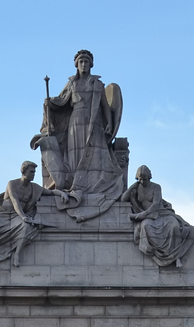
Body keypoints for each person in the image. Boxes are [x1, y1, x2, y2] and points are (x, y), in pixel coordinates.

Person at [31, 50, 124, 218]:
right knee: (75, 155)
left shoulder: (97, 84)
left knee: (94, 153)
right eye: (81, 62)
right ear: (76, 65)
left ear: (91, 64)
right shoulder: (72, 84)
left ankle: (92, 184)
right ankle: (75, 185)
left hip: (94, 122)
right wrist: (49, 103)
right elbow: (60, 101)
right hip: (76, 121)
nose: (83, 65)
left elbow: (104, 105)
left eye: (86, 62)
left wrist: (109, 123)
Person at [0, 162, 64, 270]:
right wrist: (23, 216)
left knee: (26, 227)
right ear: (23, 172)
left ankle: (17, 255)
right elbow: (15, 202)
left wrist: (62, 194)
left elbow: (49, 192)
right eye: (31, 172)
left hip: (16, 216)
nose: (33, 174)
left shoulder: (34, 187)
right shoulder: (12, 184)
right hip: (3, 214)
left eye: (34, 172)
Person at [121, 166, 194, 268]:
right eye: (140, 179)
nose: (143, 181)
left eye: (145, 179)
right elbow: (123, 199)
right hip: (148, 218)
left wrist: (140, 215)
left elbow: (156, 204)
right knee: (145, 226)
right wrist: (132, 187)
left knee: (174, 225)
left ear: (149, 177)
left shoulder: (156, 187)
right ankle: (159, 254)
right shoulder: (136, 188)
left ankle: (176, 256)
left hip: (161, 214)